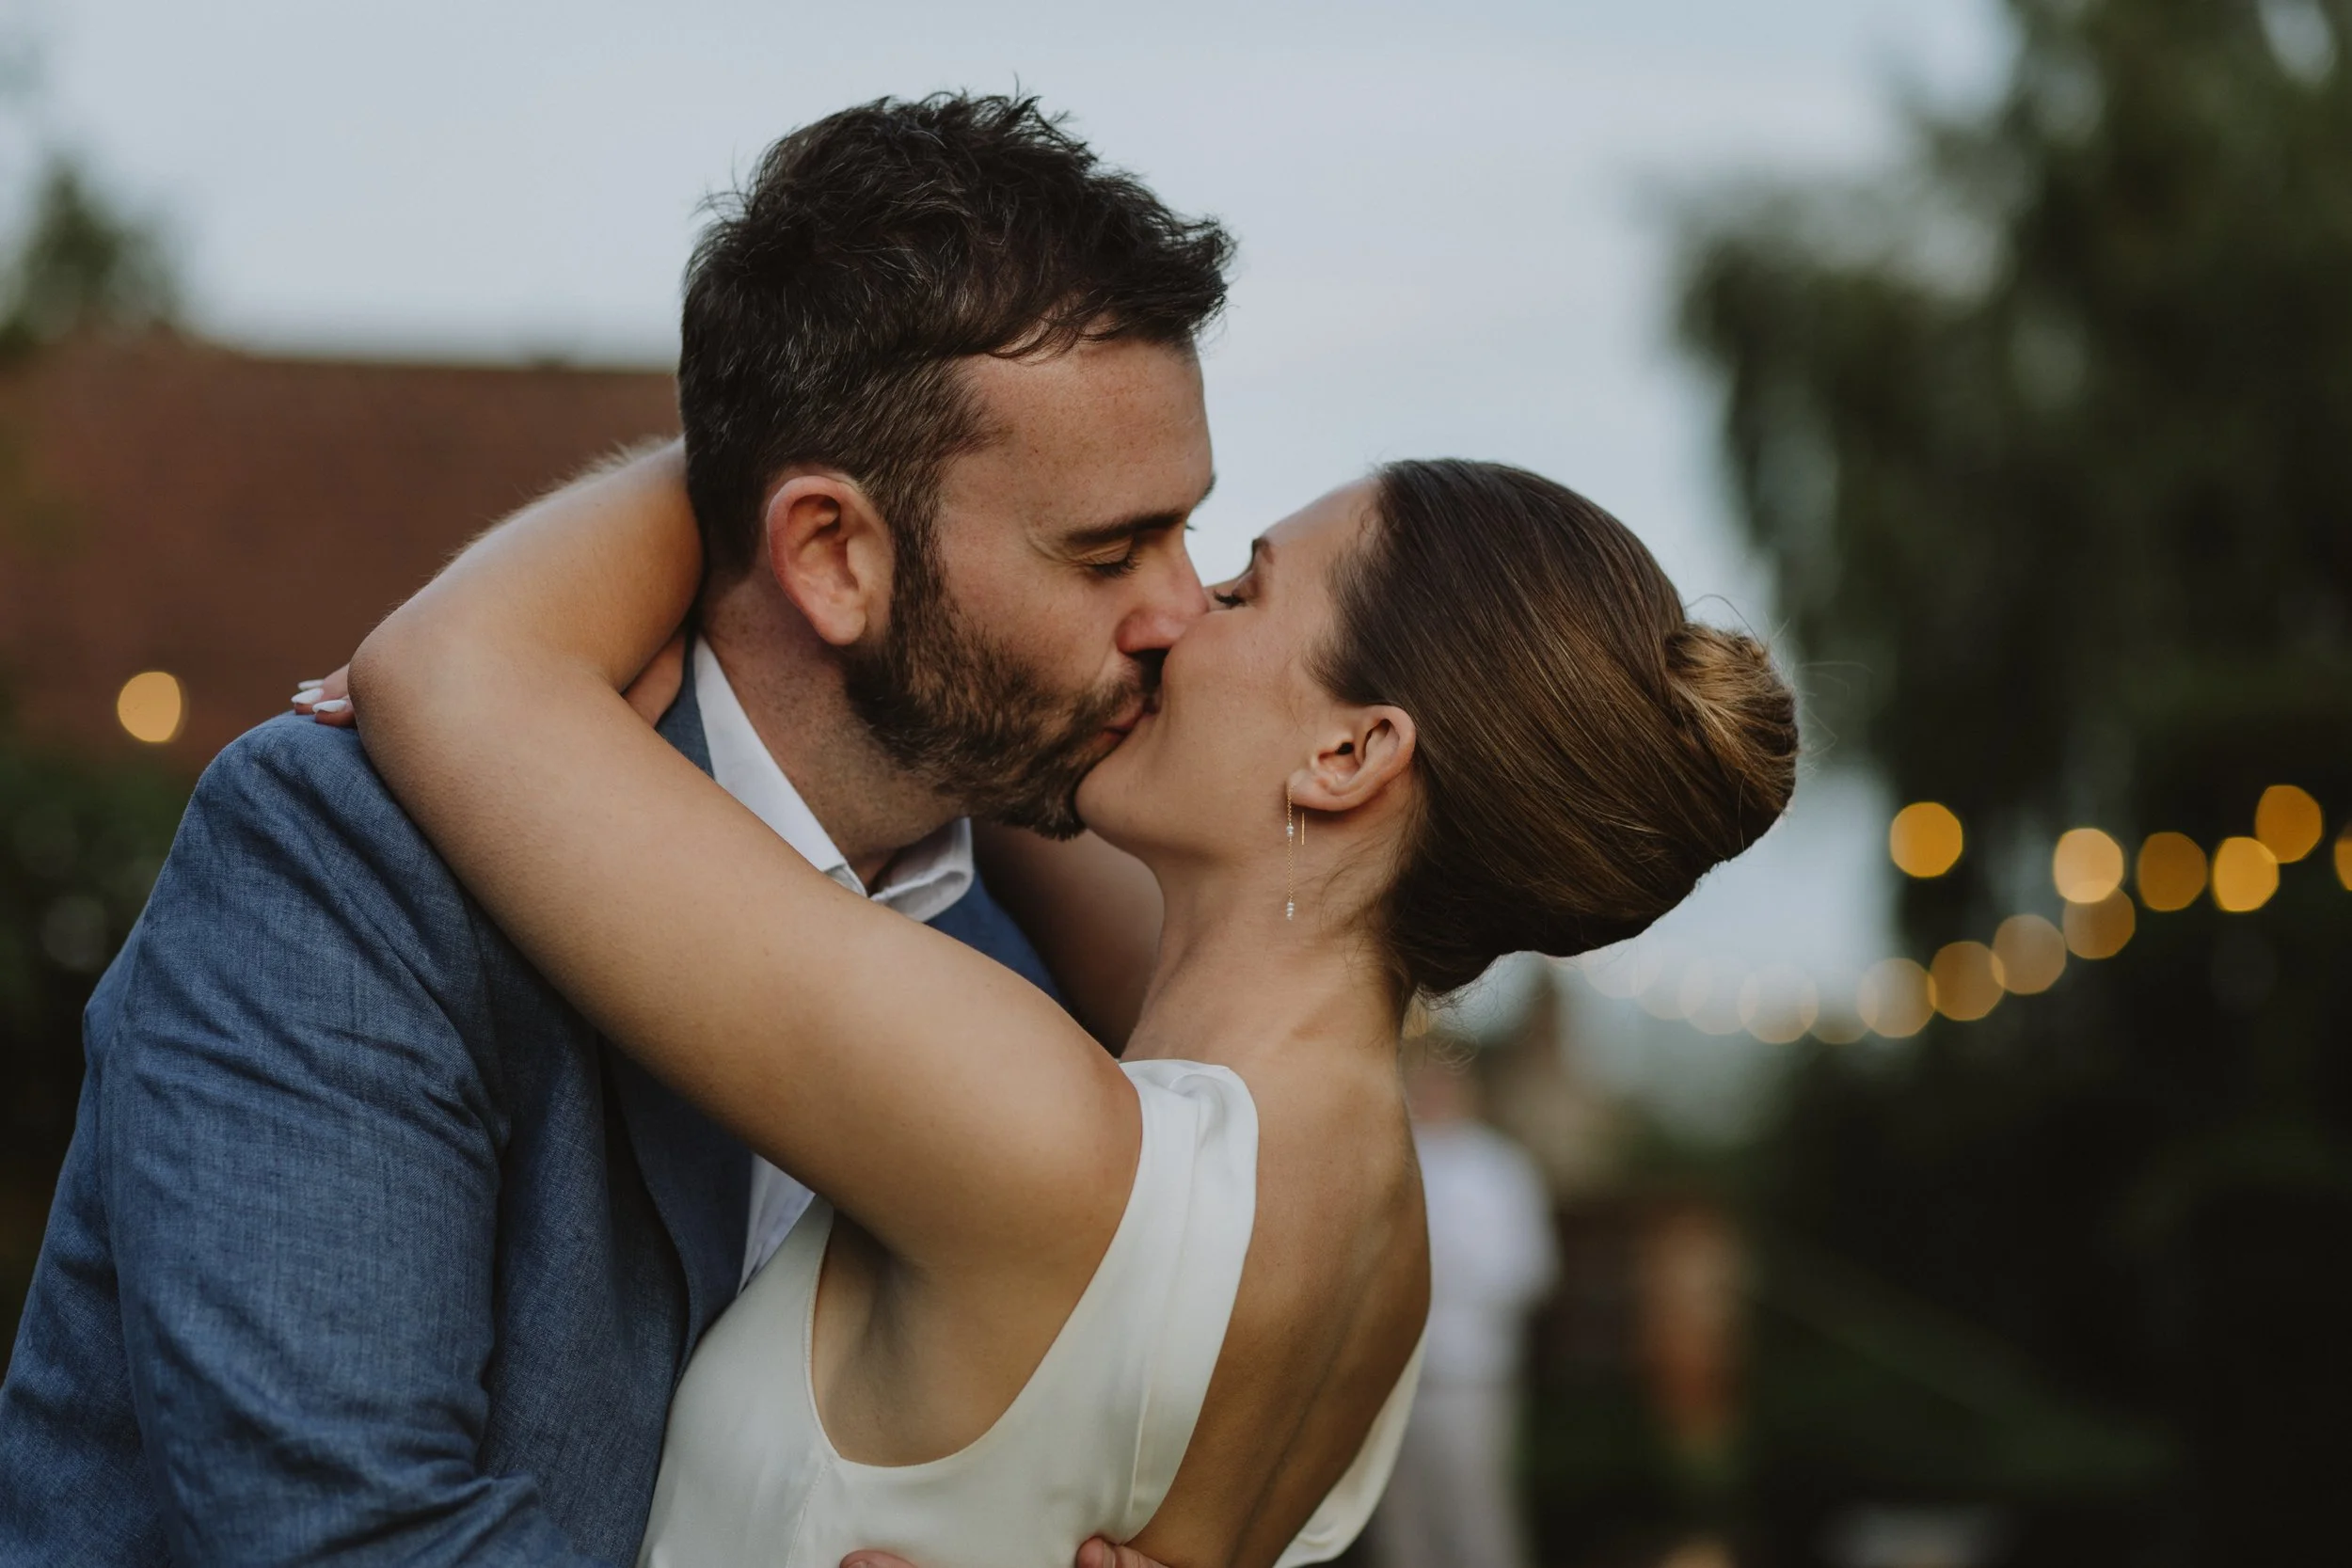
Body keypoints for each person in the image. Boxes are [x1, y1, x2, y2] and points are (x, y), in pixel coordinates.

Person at [0, 94, 1231, 1568]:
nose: (1184, 613)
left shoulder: (1011, 964)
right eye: (1110, 552)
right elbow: (341, 1531)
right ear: (831, 553)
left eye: (1187, 533)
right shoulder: (343, 860)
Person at [318, 431, 1800, 1565]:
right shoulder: (1382, 1252)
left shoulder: (1045, 1127)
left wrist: (805, 444)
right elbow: (1017, 763)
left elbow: (451, 670)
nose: (1168, 614)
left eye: (1239, 588)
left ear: (1349, 755)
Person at [1368, 1059, 1559, 1568]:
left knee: (1475, 1517)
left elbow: (1529, 1269)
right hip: (1387, 1381)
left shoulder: (1500, 1168)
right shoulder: (1391, 1156)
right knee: (1400, 1526)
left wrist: (1444, 1265)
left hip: (1468, 1377)